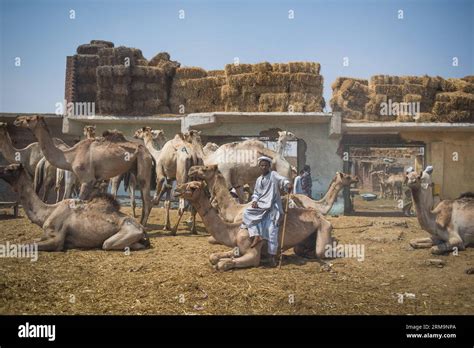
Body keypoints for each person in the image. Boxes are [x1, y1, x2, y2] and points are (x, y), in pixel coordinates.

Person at [241, 156, 292, 267]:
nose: (264, 167)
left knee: (272, 232)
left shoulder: (273, 175)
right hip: (260, 206)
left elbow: (282, 180)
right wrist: (254, 200)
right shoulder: (259, 180)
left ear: (269, 166)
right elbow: (256, 193)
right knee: (246, 213)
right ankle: (257, 235)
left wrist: (287, 184)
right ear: (259, 167)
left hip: (273, 208)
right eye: (262, 165)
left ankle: (272, 257)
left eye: (266, 165)